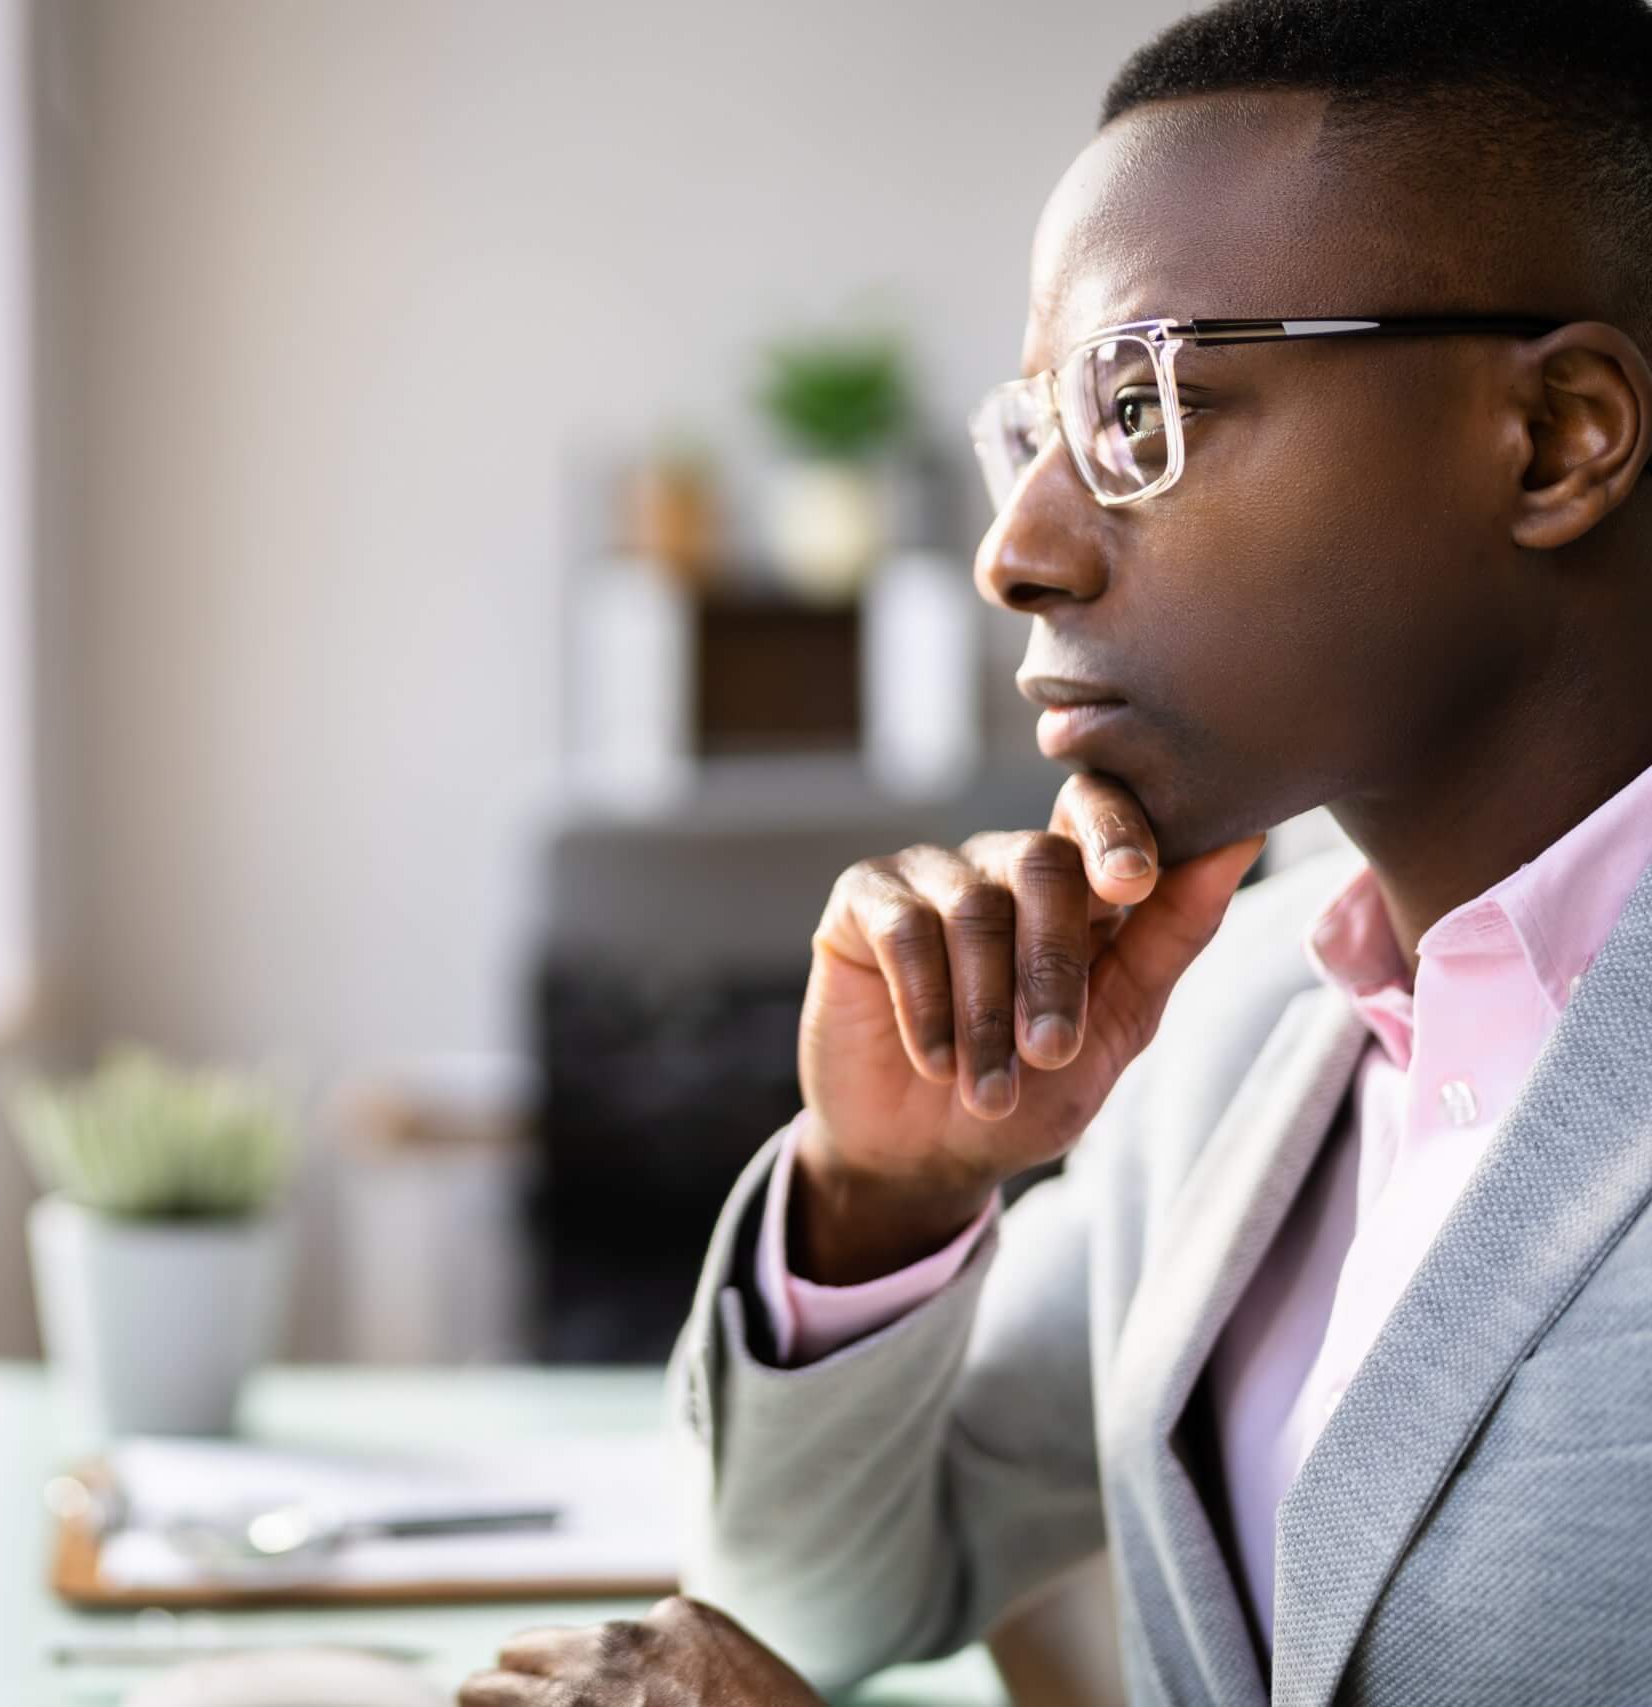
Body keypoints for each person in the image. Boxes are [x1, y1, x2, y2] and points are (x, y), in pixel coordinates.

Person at [458, 0, 1652, 1701]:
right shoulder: (1247, 1011)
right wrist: (888, 1188)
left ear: (1554, 438)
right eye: (1035, 431)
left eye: (1140, 402)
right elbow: (822, 1588)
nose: (1015, 551)